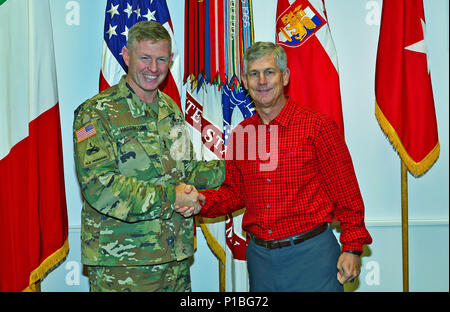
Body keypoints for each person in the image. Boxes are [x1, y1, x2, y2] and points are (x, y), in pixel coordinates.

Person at [175, 41, 372, 292]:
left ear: (285, 76)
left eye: (269, 72)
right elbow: (234, 193)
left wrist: (352, 247)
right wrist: (200, 200)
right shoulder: (241, 135)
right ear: (245, 82)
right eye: (254, 74)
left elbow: (347, 194)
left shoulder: (318, 127)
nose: (262, 81)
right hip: (260, 261)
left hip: (313, 256)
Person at [73, 21, 223, 292]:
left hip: (174, 260)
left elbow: (185, 170)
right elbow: (100, 186)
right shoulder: (96, 113)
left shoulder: (170, 109)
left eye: (162, 59)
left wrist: (236, 169)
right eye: (145, 58)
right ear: (127, 56)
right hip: (122, 266)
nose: (153, 69)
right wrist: (173, 197)